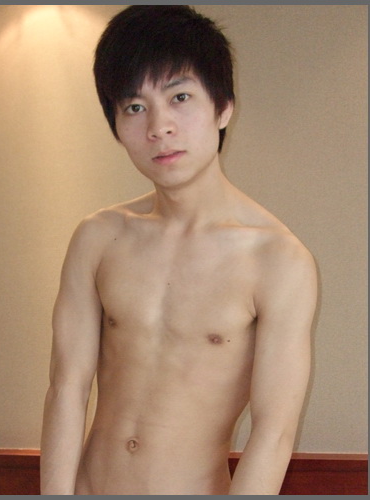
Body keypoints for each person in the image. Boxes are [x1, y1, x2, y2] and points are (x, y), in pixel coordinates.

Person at [40, 5, 317, 495]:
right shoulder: (98, 238)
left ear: (223, 107)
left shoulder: (278, 260)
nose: (159, 127)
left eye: (180, 97)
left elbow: (273, 434)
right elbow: (66, 388)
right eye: (134, 107)